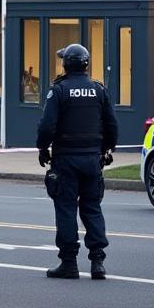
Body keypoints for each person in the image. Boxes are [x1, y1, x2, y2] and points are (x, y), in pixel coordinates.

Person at [36, 43, 117, 280]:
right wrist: (106, 149)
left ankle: (69, 262)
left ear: (65, 64)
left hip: (66, 160)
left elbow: (47, 125)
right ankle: (98, 261)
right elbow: (112, 125)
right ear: (86, 64)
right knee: (92, 208)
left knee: (66, 209)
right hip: (92, 159)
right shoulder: (98, 89)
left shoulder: (59, 91)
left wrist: (42, 147)